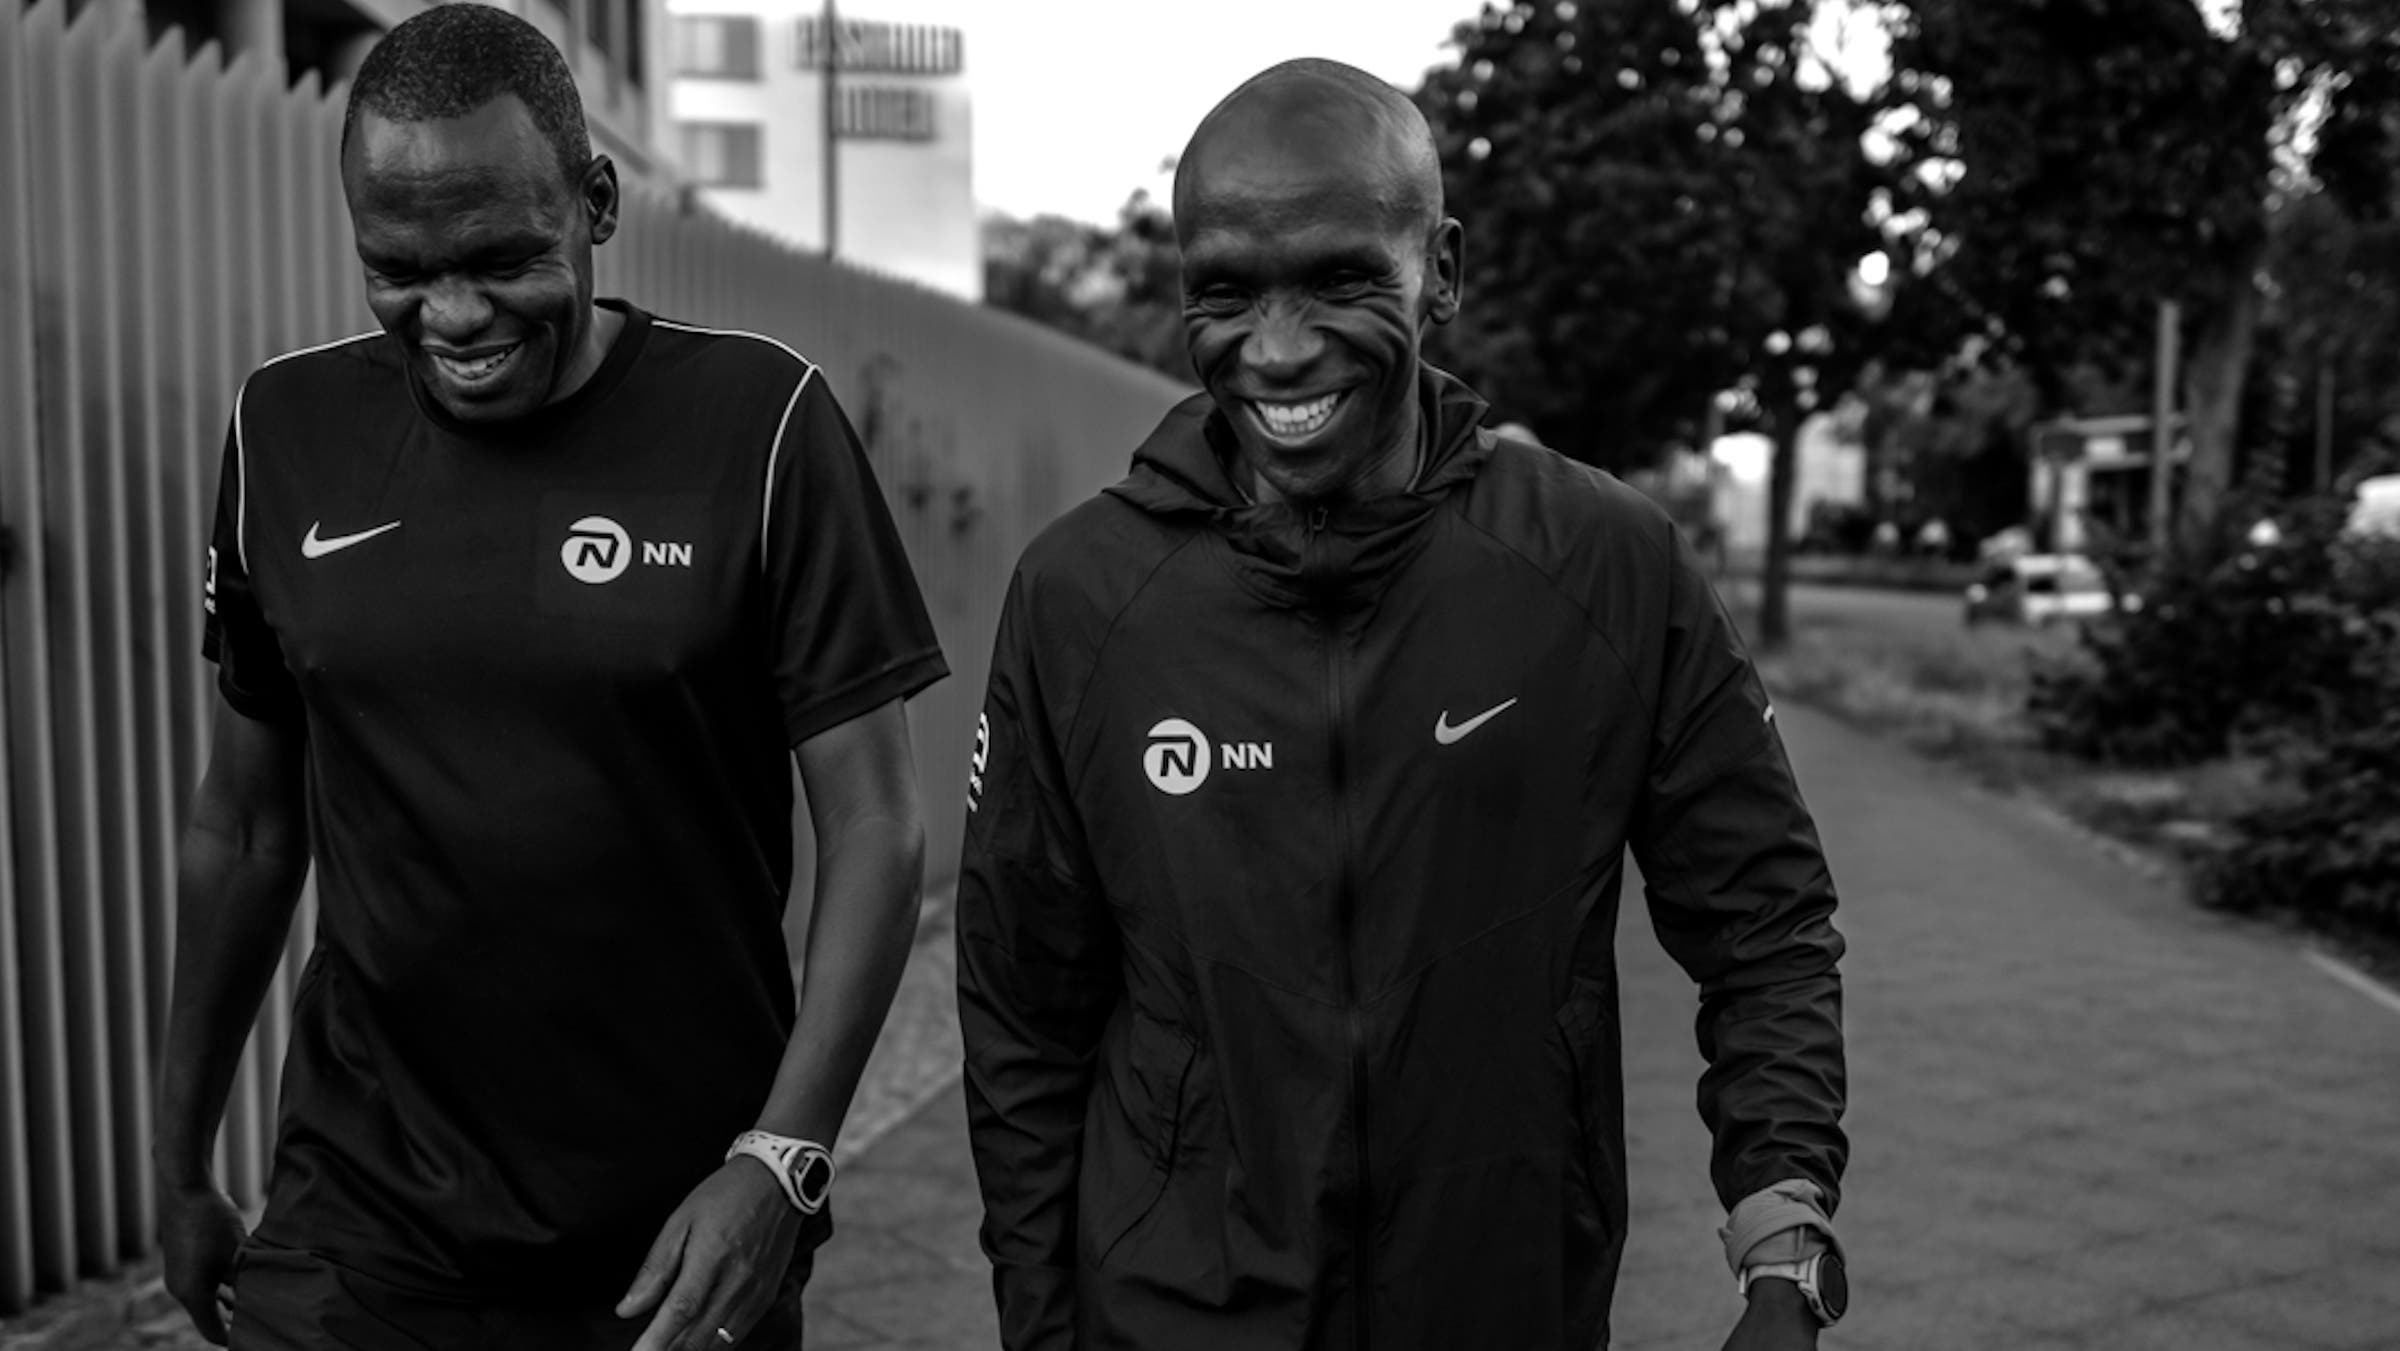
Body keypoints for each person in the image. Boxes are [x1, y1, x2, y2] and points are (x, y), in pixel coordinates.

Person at [956, 58, 1847, 1350]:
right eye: (1225, 291)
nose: (1275, 347)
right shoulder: (1084, 596)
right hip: (1175, 1316)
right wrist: (1040, 1328)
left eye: (1339, 278)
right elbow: (1023, 1009)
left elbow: (1763, 922)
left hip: (1503, 1303)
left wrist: (1782, 1250)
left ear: (1446, 269)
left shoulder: (1605, 565)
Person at [154, 7, 947, 1349]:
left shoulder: (760, 429)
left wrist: (783, 1161)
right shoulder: (283, 431)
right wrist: (175, 1163)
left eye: (500, 259)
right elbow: (242, 826)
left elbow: (876, 825)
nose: (452, 314)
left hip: (672, 1237)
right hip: (359, 1227)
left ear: (598, 201)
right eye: (396, 269)